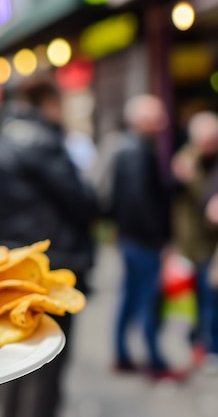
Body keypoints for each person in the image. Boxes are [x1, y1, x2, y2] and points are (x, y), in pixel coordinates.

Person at [0, 75, 98, 417]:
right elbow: (84, 203)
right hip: (50, 268)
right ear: (49, 103)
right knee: (48, 366)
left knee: (11, 359)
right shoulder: (48, 141)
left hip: (4, 267)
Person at [108, 94, 184, 380]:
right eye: (156, 117)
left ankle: (123, 356)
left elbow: (119, 198)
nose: (163, 122)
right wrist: (158, 238)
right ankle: (155, 361)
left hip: (130, 237)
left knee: (130, 297)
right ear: (141, 121)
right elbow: (141, 199)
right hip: (143, 241)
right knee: (147, 301)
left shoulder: (126, 148)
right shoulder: (138, 151)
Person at [175, 110, 218, 373]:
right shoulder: (187, 161)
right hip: (190, 243)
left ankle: (210, 347)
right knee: (187, 301)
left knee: (209, 299)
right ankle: (197, 342)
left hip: (210, 246)